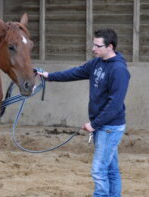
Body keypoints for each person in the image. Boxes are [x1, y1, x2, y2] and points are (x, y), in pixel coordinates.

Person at [38, 29, 130, 197]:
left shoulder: (119, 70)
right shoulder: (96, 63)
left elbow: (115, 104)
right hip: (102, 125)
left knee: (98, 170)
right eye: (93, 44)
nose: (93, 48)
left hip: (109, 127)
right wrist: (49, 76)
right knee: (110, 169)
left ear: (110, 46)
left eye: (97, 45)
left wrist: (94, 124)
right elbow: (74, 72)